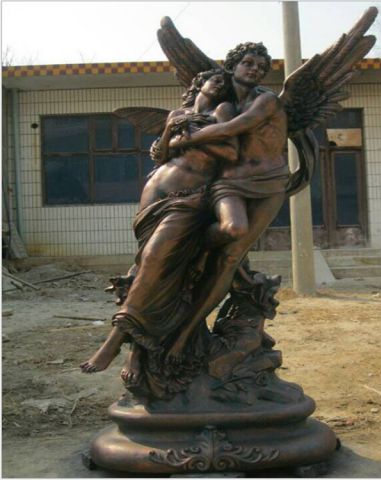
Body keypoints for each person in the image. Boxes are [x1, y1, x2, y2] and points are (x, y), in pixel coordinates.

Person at [80, 69, 239, 393]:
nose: (220, 85)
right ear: (199, 83)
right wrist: (169, 130)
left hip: (189, 197)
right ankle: (138, 355)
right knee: (149, 273)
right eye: (215, 80)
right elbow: (162, 154)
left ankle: (116, 337)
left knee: (154, 260)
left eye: (225, 83)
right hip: (154, 197)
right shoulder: (178, 114)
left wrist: (189, 137)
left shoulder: (222, 113)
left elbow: (231, 153)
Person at [165, 42, 290, 362]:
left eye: (261, 67)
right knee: (233, 228)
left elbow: (236, 128)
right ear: (232, 66)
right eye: (248, 63)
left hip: (268, 183)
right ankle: (196, 246)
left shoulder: (266, 100)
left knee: (230, 256)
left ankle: (185, 334)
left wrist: (185, 138)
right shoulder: (222, 100)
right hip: (229, 182)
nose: (255, 70)